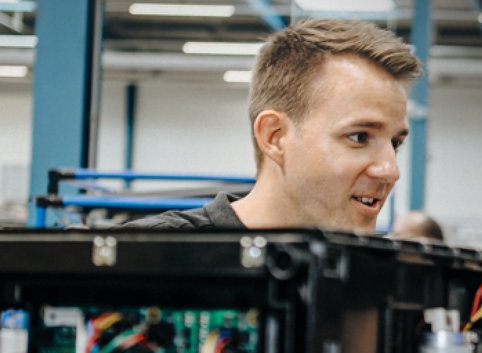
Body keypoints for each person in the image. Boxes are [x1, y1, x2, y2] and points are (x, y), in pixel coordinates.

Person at [126, 18, 422, 231]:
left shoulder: (382, 284)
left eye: (395, 143)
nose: (390, 171)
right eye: (360, 136)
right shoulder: (146, 257)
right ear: (275, 136)